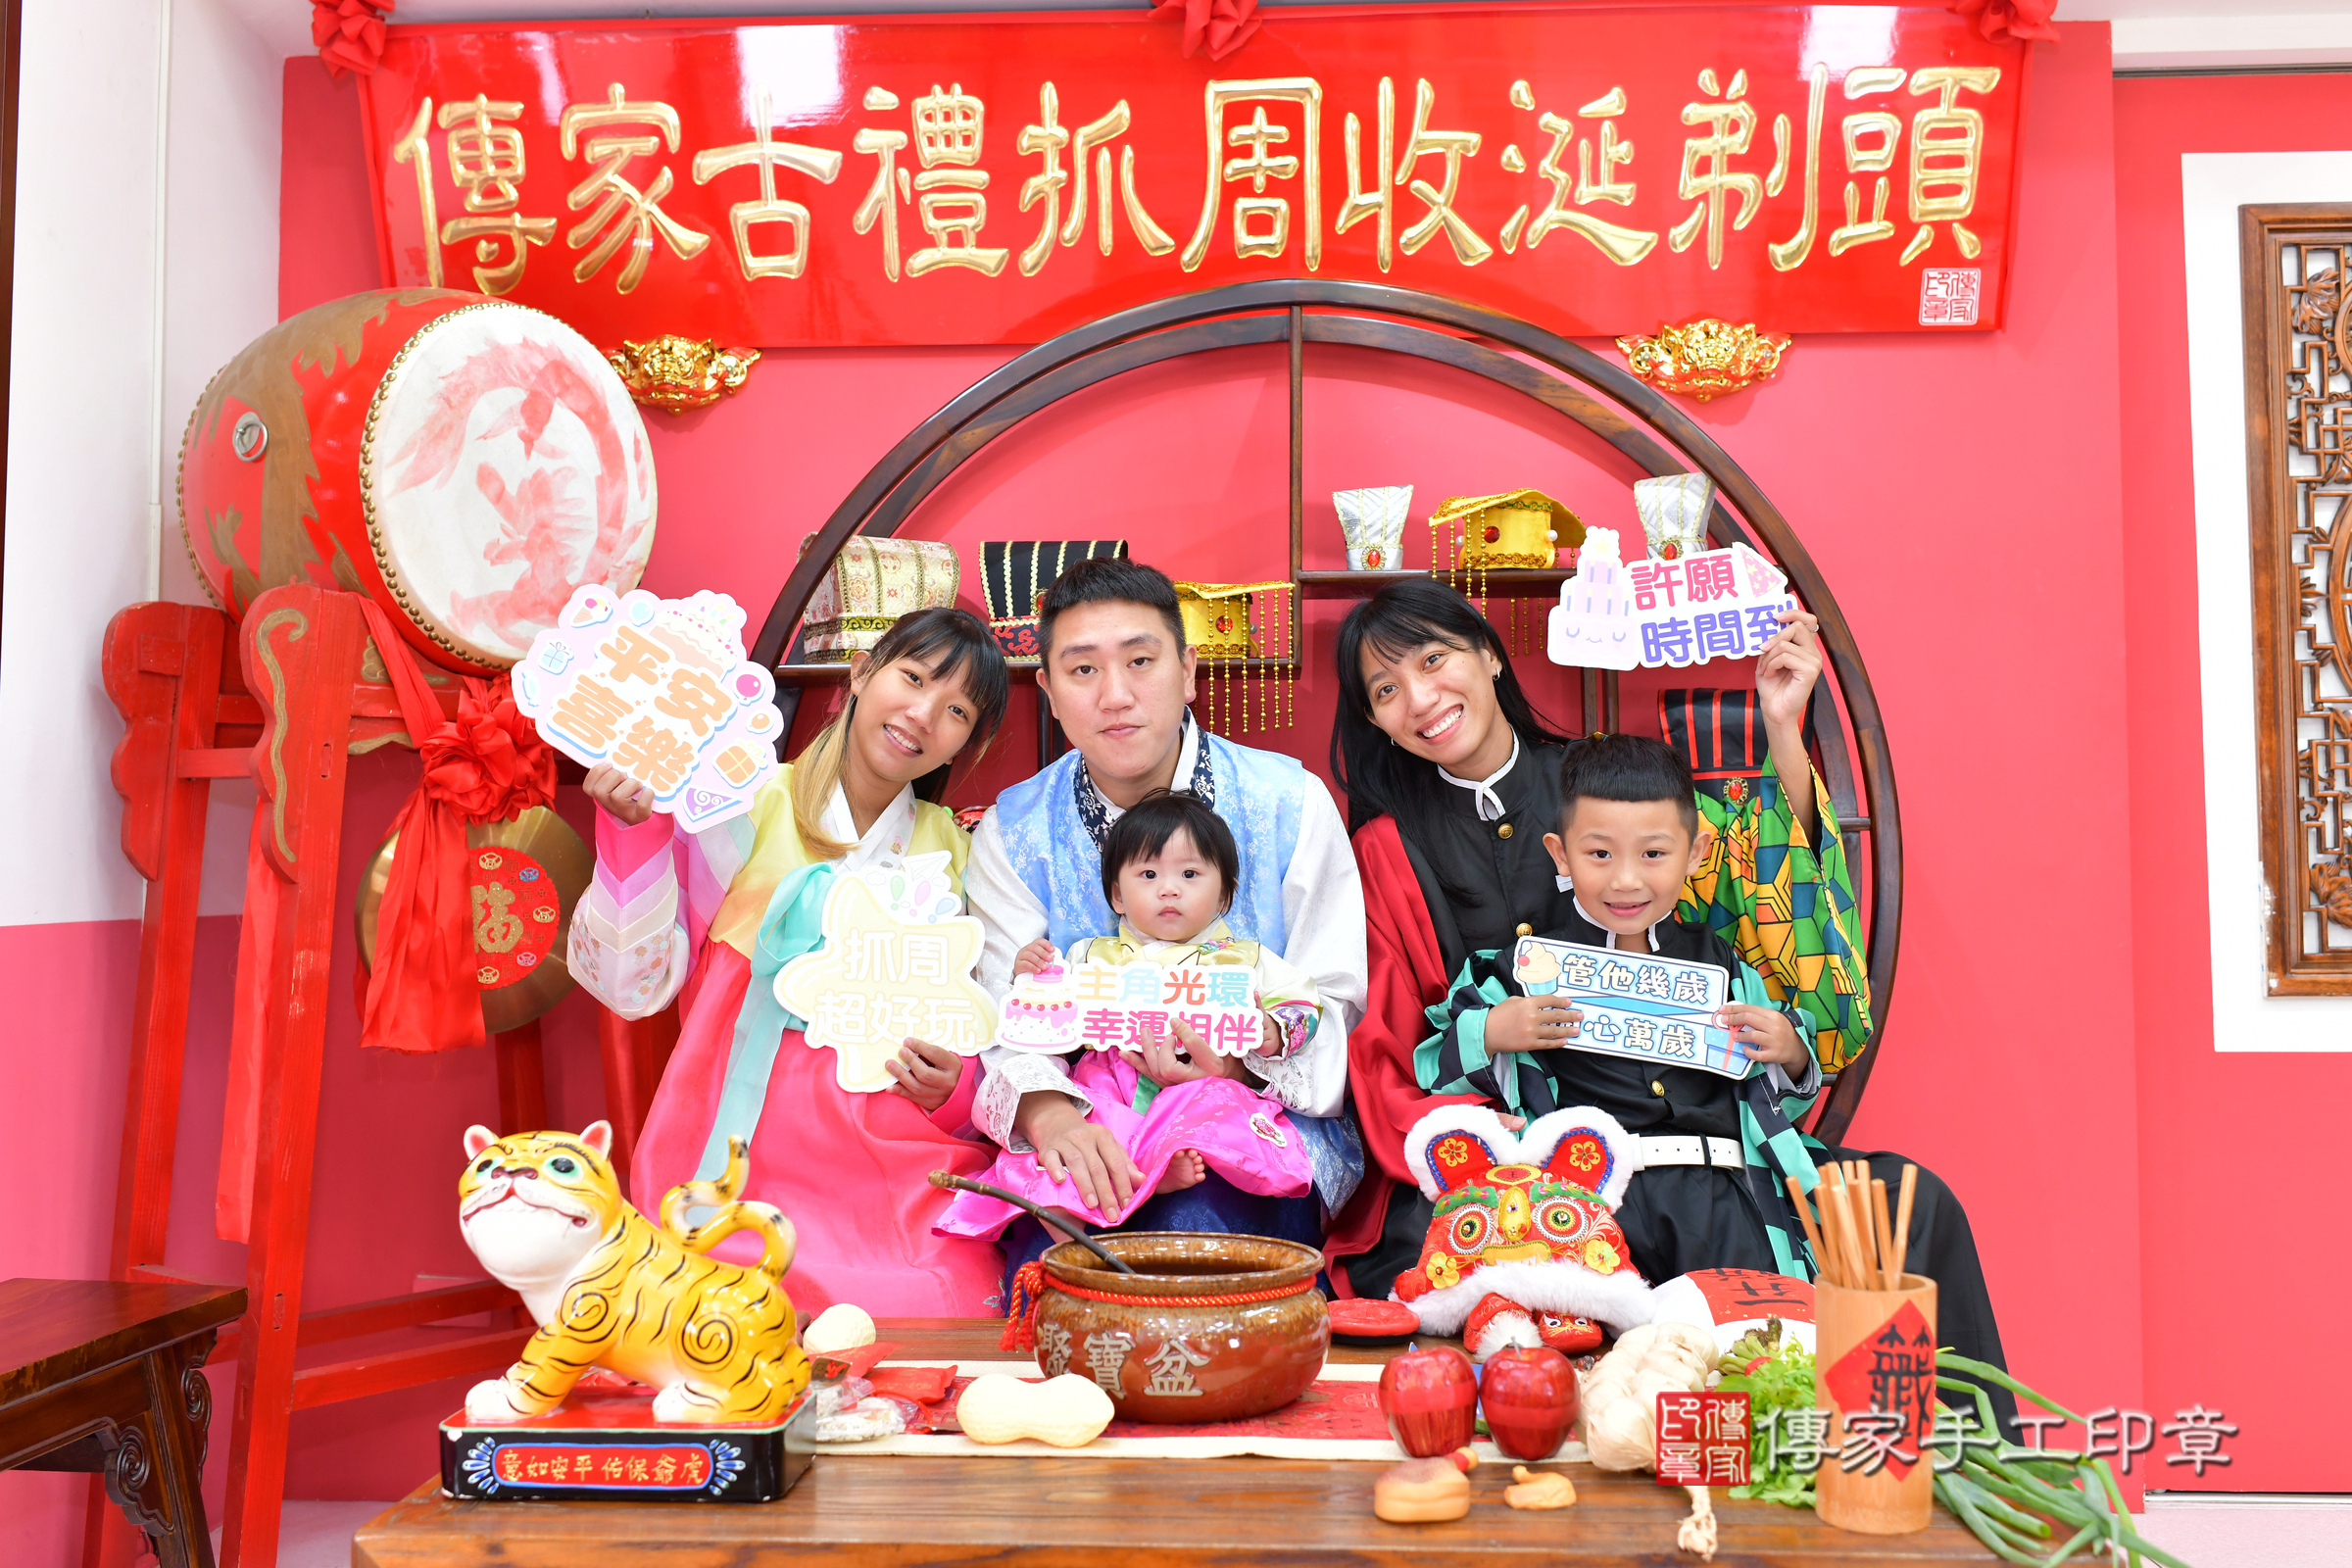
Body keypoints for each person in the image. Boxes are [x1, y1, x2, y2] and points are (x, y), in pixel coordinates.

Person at [1332, 578, 2013, 1426]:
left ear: (1490, 656)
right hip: (1531, 1145)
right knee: (1446, 1256)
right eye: (1386, 690)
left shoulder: (1608, 780)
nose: (1420, 698)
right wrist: (1491, 1108)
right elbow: (1395, 1043)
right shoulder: (1387, 847)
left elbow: (1755, 897)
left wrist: (1783, 729)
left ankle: (1969, 1458)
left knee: (1910, 1204)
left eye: (1435, 661)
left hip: (1701, 1122)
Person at [569, 607, 1012, 1316]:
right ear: (860, 673)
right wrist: (632, 833)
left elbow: (982, 1036)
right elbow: (633, 985)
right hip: (739, 1172)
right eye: (913, 677)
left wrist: (953, 1088)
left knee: (955, 1301)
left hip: (900, 1182)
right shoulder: (737, 808)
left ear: (970, 741)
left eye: (958, 710)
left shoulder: (960, 854)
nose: (924, 714)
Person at [963, 557, 1365, 1274]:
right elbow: (1000, 1013)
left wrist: (1242, 1061)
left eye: (1140, 661)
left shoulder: (1288, 802)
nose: (1115, 696)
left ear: (1187, 671)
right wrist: (1051, 1113)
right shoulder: (1014, 832)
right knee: (1058, 1246)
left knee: (1195, 1231)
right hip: (1090, 1121)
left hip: (1254, 1126)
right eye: (1083, 670)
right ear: (1048, 691)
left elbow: (1339, 1000)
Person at [937, 790, 1322, 1242]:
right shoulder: (1092, 956)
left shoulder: (1245, 960)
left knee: (1215, 1109)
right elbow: (1052, 1013)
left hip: (1201, 1077)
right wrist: (1033, 974)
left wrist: (1275, 1030)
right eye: (1149, 874)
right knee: (1087, 1119)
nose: (1169, 888)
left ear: (1224, 895)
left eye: (1190, 874)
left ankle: (1160, 1166)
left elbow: (1304, 1004)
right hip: (1114, 1074)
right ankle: (1068, 1212)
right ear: (1118, 896)